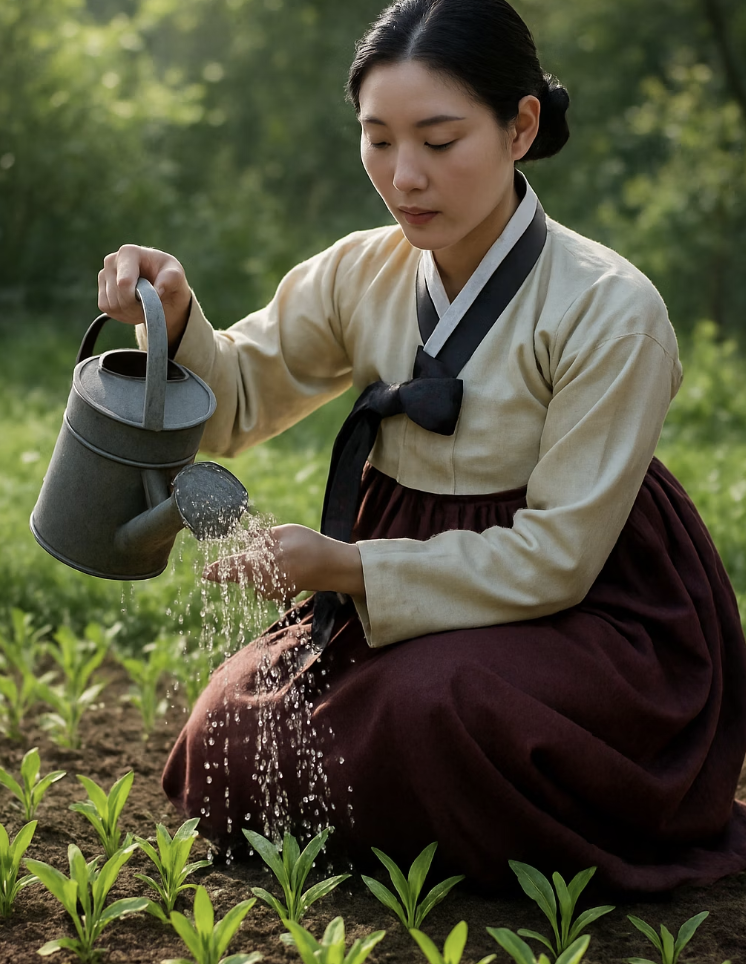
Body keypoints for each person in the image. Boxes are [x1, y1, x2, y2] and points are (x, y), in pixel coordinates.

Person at [97, 0, 746, 894]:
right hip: (399, 576)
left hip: (587, 604)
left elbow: (558, 556)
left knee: (427, 707)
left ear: (521, 126)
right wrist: (175, 324)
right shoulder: (362, 269)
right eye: (378, 140)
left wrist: (347, 566)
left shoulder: (610, 309)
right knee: (230, 727)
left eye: (439, 143)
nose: (405, 178)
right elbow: (235, 400)